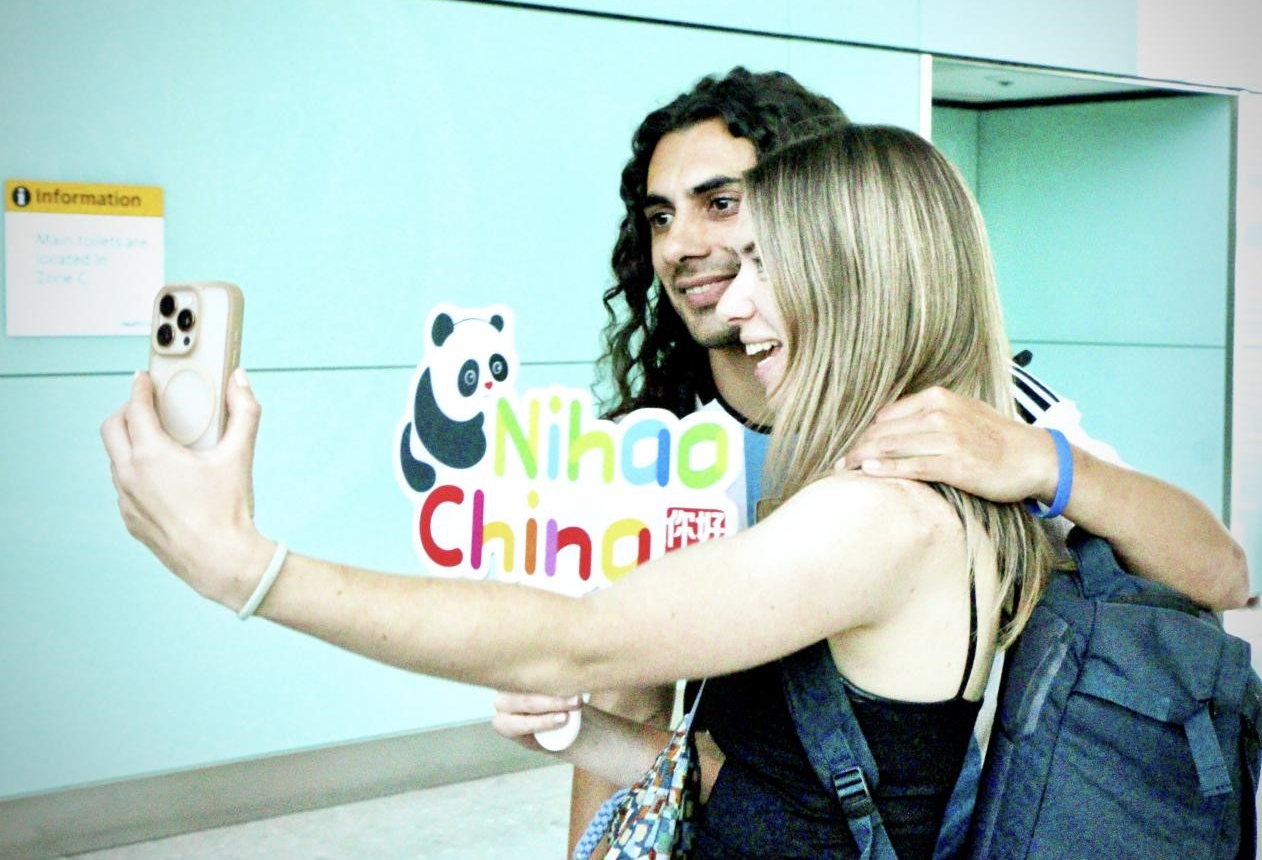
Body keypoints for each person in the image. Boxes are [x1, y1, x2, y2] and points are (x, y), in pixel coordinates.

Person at [102, 124, 1247, 858]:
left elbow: (575, 631)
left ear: (853, 282)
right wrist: (588, 735)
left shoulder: (883, 514)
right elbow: (776, 781)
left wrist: (249, 567)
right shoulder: (876, 485)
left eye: (761, 265)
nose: (732, 304)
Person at [487, 68, 1250, 855]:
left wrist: (1042, 461)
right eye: (659, 217)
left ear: (820, 216)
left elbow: (1224, 572)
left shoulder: (974, 414)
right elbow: (660, 715)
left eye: (722, 206)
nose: (683, 245)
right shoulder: (657, 441)